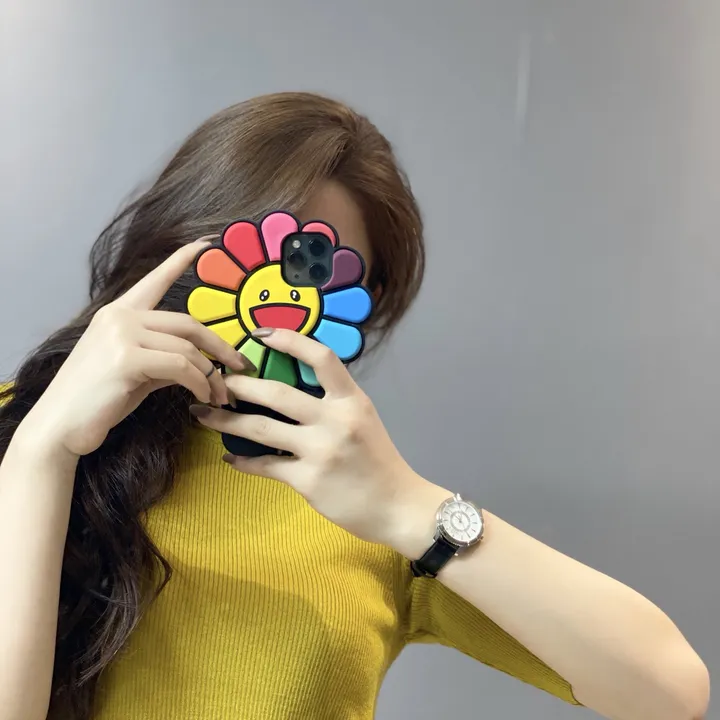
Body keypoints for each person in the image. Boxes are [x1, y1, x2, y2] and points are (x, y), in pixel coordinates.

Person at [0, 92, 709, 720]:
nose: (281, 296)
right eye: (253, 249)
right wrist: (39, 455)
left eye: (322, 274)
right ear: (183, 239)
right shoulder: (24, 430)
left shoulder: (364, 503)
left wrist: (409, 507)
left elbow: (671, 691)